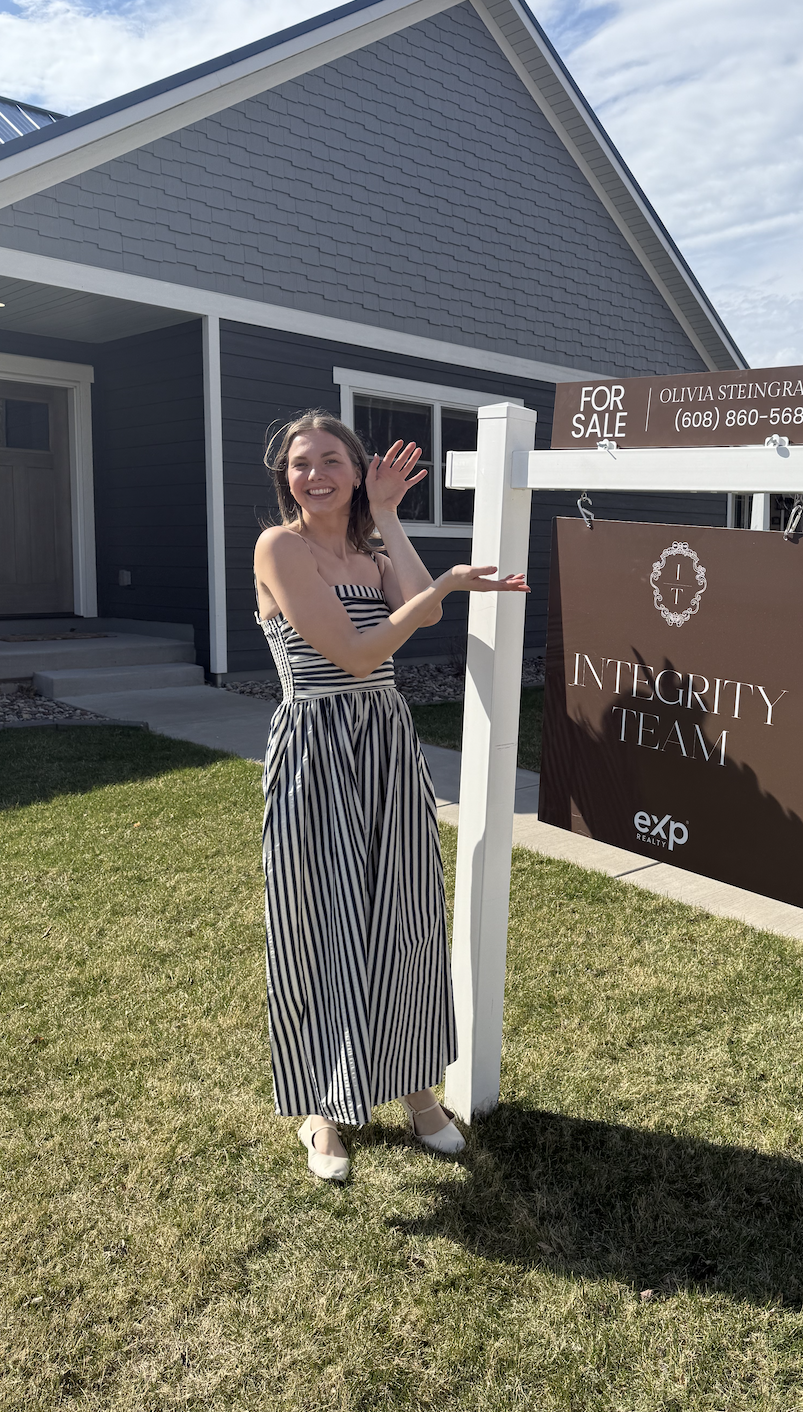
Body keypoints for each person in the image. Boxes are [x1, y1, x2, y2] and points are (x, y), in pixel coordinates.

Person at [253, 410, 527, 1183]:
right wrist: (439, 584)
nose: (316, 474)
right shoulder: (280, 548)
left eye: (332, 459)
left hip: (386, 745)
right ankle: (322, 1110)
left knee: (403, 914)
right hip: (318, 749)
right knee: (324, 924)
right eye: (301, 463)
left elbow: (424, 609)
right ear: (287, 478)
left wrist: (393, 519)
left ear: (357, 469)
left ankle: (414, 1088)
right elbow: (355, 653)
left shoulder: (371, 552)